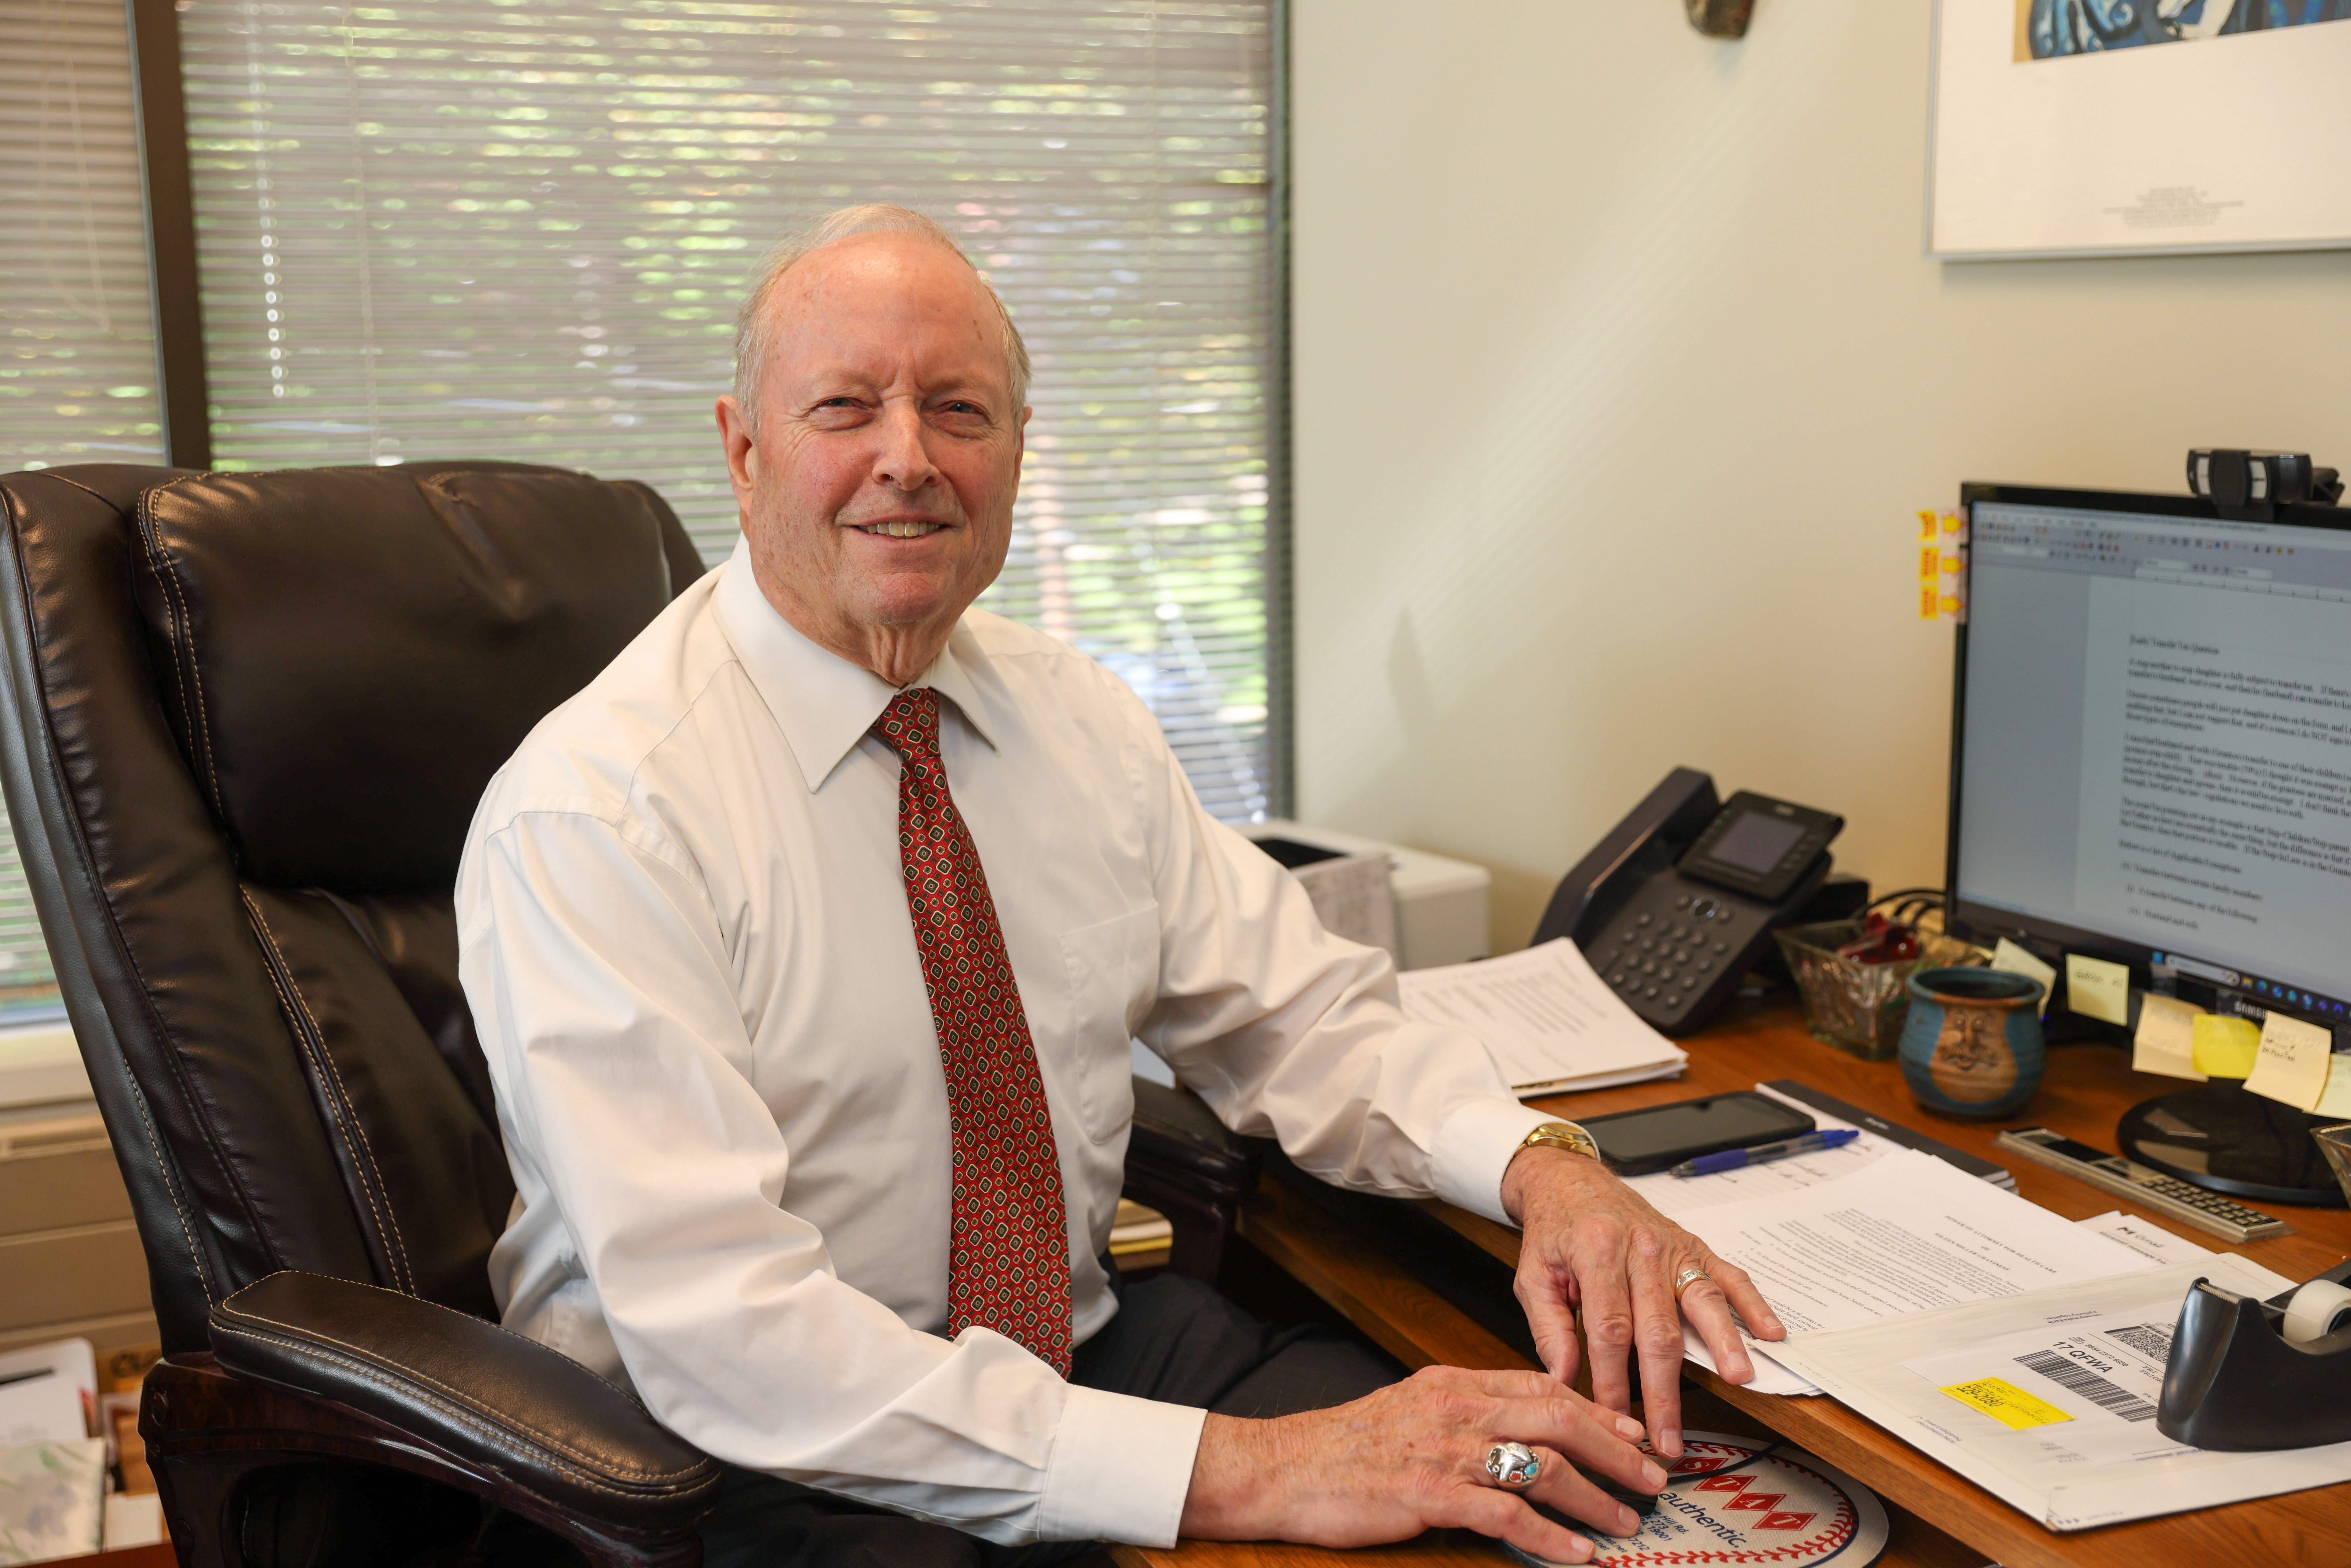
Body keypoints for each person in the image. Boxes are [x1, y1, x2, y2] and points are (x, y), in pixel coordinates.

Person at [455, 203, 1784, 1568]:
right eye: (845, 407)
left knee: (1530, 1490)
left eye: (958, 411)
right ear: (744, 451)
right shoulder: (598, 811)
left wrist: (1544, 1167)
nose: (907, 458)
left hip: (1076, 1359)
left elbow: (1300, 1019)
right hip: (717, 1464)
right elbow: (729, 1334)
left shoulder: (1078, 722)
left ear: (1015, 450)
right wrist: (1254, 1471)